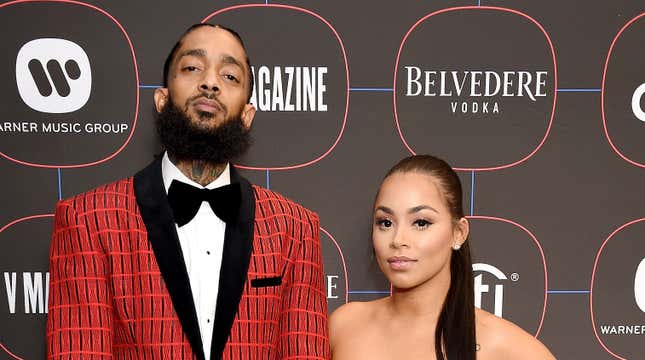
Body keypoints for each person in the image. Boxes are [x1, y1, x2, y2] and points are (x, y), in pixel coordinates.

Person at [46, 24, 329, 360]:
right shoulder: (87, 221)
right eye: (193, 68)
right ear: (162, 101)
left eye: (229, 76)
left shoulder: (295, 229)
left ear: (248, 115)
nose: (209, 83)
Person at [329, 155, 554, 360]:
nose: (398, 239)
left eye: (421, 223)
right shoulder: (344, 326)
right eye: (385, 223)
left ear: (459, 233)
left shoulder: (504, 347)